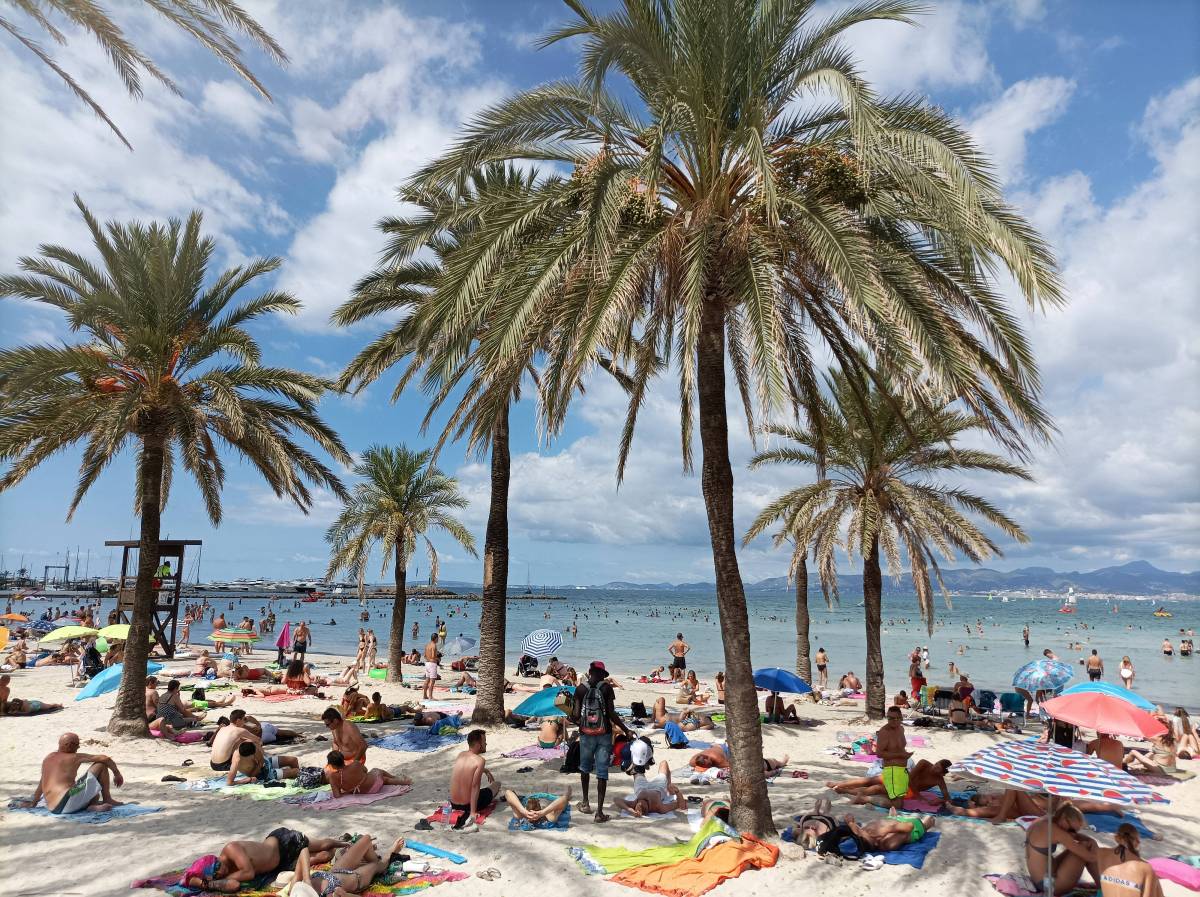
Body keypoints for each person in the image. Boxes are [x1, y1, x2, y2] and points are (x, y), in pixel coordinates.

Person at [181, 830, 348, 894]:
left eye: (217, 875)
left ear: (217, 866)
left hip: (283, 842)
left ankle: (345, 842)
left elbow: (248, 872)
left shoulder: (231, 849)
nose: (220, 877)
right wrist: (207, 884)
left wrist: (216, 881)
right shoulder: (225, 870)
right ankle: (341, 848)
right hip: (279, 864)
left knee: (323, 844)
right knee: (323, 856)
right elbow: (188, 878)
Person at [571, 660, 633, 823]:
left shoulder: (580, 689)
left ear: (590, 672)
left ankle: (585, 803)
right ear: (602, 674)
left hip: (585, 734)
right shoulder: (606, 688)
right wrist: (626, 730)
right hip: (604, 734)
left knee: (584, 768)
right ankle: (599, 812)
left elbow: (576, 716)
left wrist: (570, 713)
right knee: (602, 772)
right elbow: (611, 713)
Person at [14, 732, 124, 814]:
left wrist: (34, 802)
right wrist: (117, 773)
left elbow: (42, 783)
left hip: (55, 809)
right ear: (69, 745)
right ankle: (106, 799)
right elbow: (104, 758)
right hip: (67, 800)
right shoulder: (74, 757)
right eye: (77, 744)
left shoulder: (48, 758)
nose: (78, 747)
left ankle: (92, 805)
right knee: (100, 765)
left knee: (88, 785)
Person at [1024, 803, 1100, 896]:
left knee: (1084, 846)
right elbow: (1091, 858)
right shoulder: (1056, 830)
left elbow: (1075, 836)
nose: (1070, 833)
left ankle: (1103, 886)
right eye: (1071, 829)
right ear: (1063, 817)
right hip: (1050, 885)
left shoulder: (1044, 821)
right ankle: (1104, 888)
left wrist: (1090, 840)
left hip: (1040, 880)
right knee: (1085, 848)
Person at [827, 758, 953, 807]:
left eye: (937, 769)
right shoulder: (924, 763)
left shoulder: (939, 780)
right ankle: (839, 783)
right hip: (903, 780)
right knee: (870, 780)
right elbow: (909, 777)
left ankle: (844, 790)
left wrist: (942, 801)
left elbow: (947, 797)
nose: (934, 767)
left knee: (877, 788)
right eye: (936, 764)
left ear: (942, 773)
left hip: (906, 790)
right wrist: (919, 795)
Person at [447, 729, 501, 832]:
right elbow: (475, 787)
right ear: (477, 744)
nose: (486, 743)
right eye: (484, 741)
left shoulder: (461, 755)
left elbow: (467, 769)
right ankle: (472, 809)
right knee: (497, 784)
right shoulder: (480, 761)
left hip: (453, 803)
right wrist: (472, 812)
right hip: (467, 806)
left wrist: (484, 770)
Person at [620, 753, 685, 817]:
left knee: (636, 770)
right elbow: (680, 805)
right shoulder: (658, 807)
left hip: (641, 788)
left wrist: (629, 809)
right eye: (641, 806)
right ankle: (668, 787)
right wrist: (677, 792)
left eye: (638, 805)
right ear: (647, 808)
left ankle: (642, 760)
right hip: (658, 787)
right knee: (664, 763)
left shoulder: (634, 803)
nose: (639, 803)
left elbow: (617, 800)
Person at [325, 750, 411, 797]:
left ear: (332, 765)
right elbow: (365, 770)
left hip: (360, 792)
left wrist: (348, 789)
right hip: (374, 786)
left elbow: (337, 795)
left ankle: (396, 778)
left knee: (381, 779)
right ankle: (401, 780)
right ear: (343, 759)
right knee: (377, 771)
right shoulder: (355, 764)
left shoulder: (333, 777)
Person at [876, 705, 912, 811]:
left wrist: (905, 754)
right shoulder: (884, 732)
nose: (891, 721)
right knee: (898, 805)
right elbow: (879, 753)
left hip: (902, 771)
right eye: (889, 718)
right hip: (891, 770)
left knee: (900, 800)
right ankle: (866, 799)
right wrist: (900, 755)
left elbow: (900, 748)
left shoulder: (901, 729)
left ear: (900, 718)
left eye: (894, 718)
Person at [227, 740, 299, 785]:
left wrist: (261, 763)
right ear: (249, 756)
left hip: (265, 763)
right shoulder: (236, 762)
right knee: (296, 771)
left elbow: (261, 758)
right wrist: (245, 780)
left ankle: (297, 779)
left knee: (293, 760)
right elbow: (229, 782)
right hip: (263, 774)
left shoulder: (247, 745)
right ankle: (297, 777)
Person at [689, 743, 787, 774]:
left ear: (708, 758)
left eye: (709, 764)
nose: (709, 766)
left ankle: (781, 763)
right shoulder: (694, 760)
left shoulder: (717, 759)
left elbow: (731, 764)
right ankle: (776, 767)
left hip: (724, 750)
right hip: (717, 747)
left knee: (765, 764)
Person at [503, 787, 573, 826]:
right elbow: (507, 792)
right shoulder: (521, 814)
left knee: (549, 797)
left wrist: (543, 812)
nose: (532, 817)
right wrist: (523, 811)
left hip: (540, 801)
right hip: (531, 800)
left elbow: (564, 799)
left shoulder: (548, 816)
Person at [423, 633, 441, 701]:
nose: (438, 639)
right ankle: (430, 696)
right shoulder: (434, 645)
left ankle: (425, 695)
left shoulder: (427, 645)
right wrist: (438, 658)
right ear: (435, 638)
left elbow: (424, 655)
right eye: (438, 638)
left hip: (427, 663)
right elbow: (433, 656)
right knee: (432, 681)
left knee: (427, 679)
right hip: (432, 664)